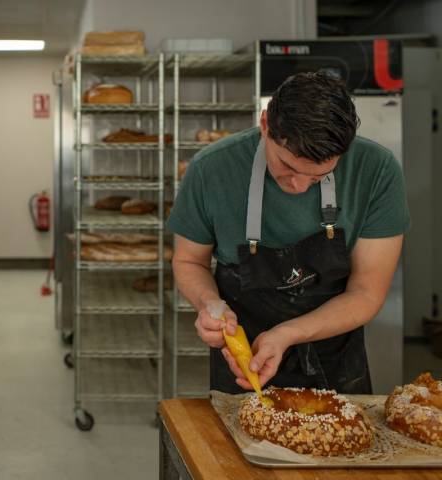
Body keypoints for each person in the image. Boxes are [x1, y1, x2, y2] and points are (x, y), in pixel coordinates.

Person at [167, 72, 410, 395]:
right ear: (266, 124)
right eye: (288, 166)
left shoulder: (377, 170)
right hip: (245, 360)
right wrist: (209, 305)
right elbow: (189, 262)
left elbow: (367, 291)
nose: (297, 186)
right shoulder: (211, 169)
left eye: (318, 176)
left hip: (335, 360)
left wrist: (288, 333)